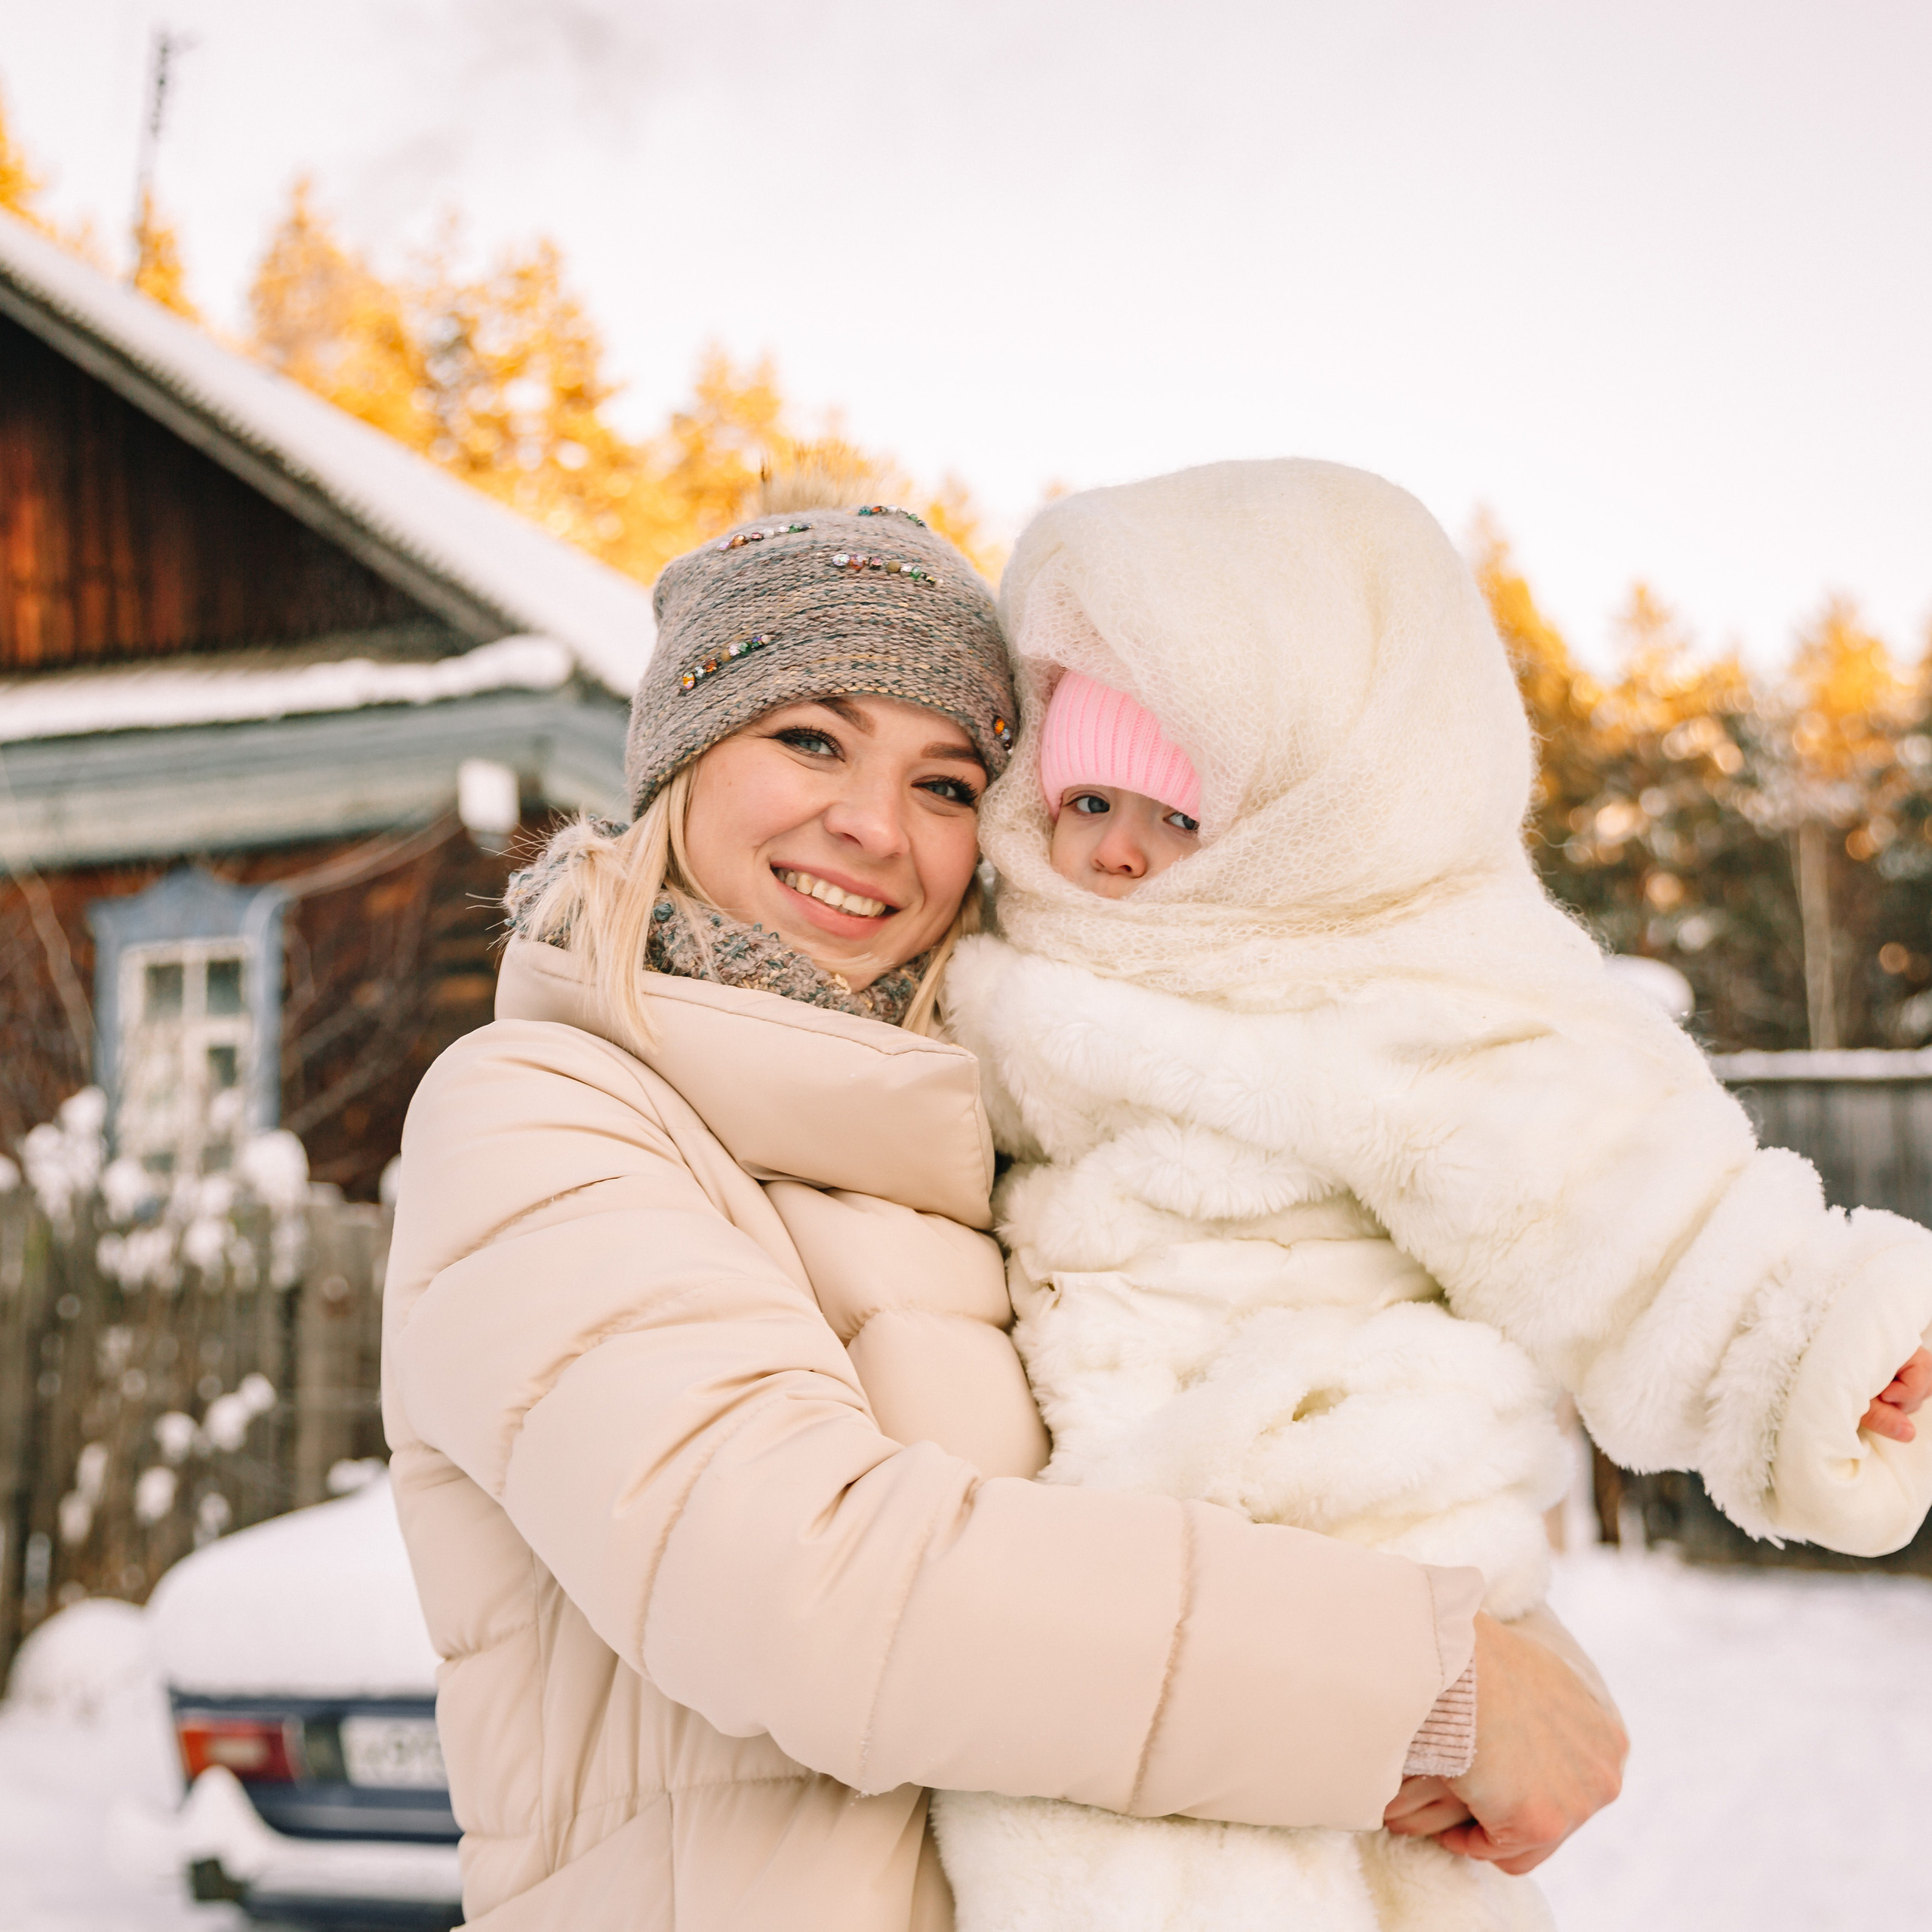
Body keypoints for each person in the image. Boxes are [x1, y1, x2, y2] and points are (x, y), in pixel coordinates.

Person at [380, 491, 1626, 1932]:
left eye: (949, 783)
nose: (871, 825)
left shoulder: (977, 1166)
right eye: (809, 737)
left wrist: (1473, 1596)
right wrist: (1427, 1681)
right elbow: (805, 1589)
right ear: (678, 761)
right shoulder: (542, 1113)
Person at [932, 458, 1932, 1930]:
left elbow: (1609, 1188)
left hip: (1353, 1506)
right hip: (1117, 1556)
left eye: (1177, 812)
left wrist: (1797, 1348)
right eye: (1083, 797)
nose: (1119, 850)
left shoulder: (1404, 985)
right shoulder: (1008, 970)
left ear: (1303, 817)